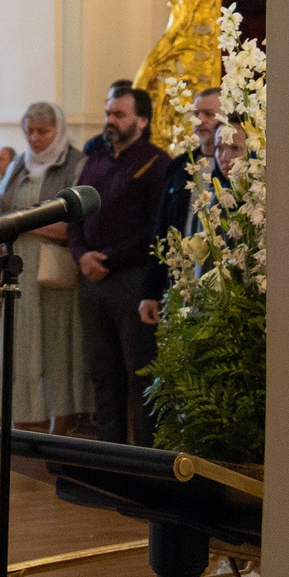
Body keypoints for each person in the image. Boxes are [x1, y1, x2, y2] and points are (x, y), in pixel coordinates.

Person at [70, 86, 172, 444]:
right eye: (108, 112)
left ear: (142, 121)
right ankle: (109, 452)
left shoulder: (157, 163)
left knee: (139, 373)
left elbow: (156, 226)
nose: (110, 120)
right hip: (91, 281)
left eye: (120, 115)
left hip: (131, 280)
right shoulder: (95, 161)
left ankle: (144, 456)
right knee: (102, 371)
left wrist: (109, 260)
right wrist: (81, 254)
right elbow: (75, 215)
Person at [0, 102, 90, 426]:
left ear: (58, 131)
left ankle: (61, 419)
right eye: (30, 131)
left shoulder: (76, 164)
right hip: (20, 264)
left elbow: (77, 224)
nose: (35, 138)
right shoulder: (19, 162)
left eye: (43, 132)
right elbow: (0, 201)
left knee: (57, 345)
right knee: (21, 341)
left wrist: (21, 223)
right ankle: (22, 416)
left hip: (53, 267)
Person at [141, 88, 224, 327]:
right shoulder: (180, 165)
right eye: (196, 114)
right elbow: (163, 228)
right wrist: (151, 291)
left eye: (209, 114)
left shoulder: (236, 166)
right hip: (180, 279)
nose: (200, 121)